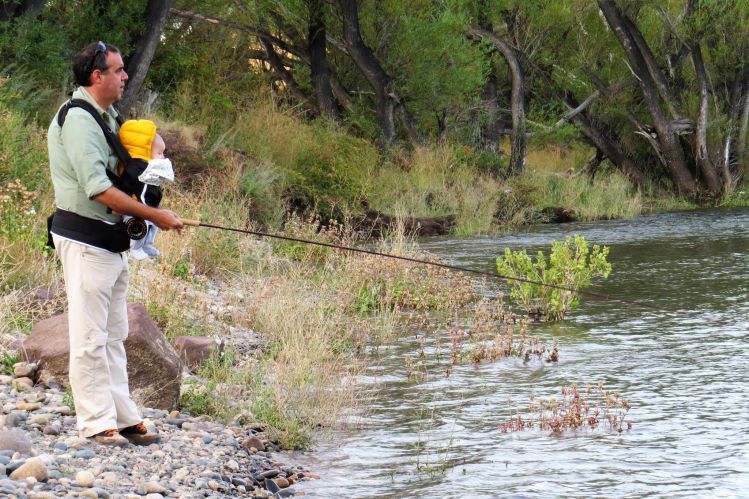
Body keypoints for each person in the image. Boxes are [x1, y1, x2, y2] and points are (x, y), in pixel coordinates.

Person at [47, 41, 183, 446]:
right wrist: (154, 215)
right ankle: (94, 422)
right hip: (85, 239)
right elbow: (97, 189)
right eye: (119, 70)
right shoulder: (78, 119)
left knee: (113, 336)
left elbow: (127, 174)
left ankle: (124, 417)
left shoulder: (106, 115)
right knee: (88, 336)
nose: (125, 76)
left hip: (111, 243)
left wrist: (155, 158)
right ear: (97, 76)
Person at [118, 119, 175, 260]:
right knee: (142, 224)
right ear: (145, 153)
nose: (163, 157)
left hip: (144, 209)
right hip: (132, 209)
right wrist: (150, 212)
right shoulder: (139, 173)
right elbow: (141, 194)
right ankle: (135, 248)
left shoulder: (148, 173)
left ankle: (146, 244)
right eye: (160, 153)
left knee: (153, 225)